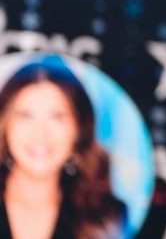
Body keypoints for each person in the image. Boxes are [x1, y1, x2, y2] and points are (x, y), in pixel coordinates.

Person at [0, 56, 127, 239]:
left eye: (57, 117)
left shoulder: (107, 215)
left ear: (79, 128)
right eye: (25, 116)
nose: (40, 133)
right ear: (5, 126)